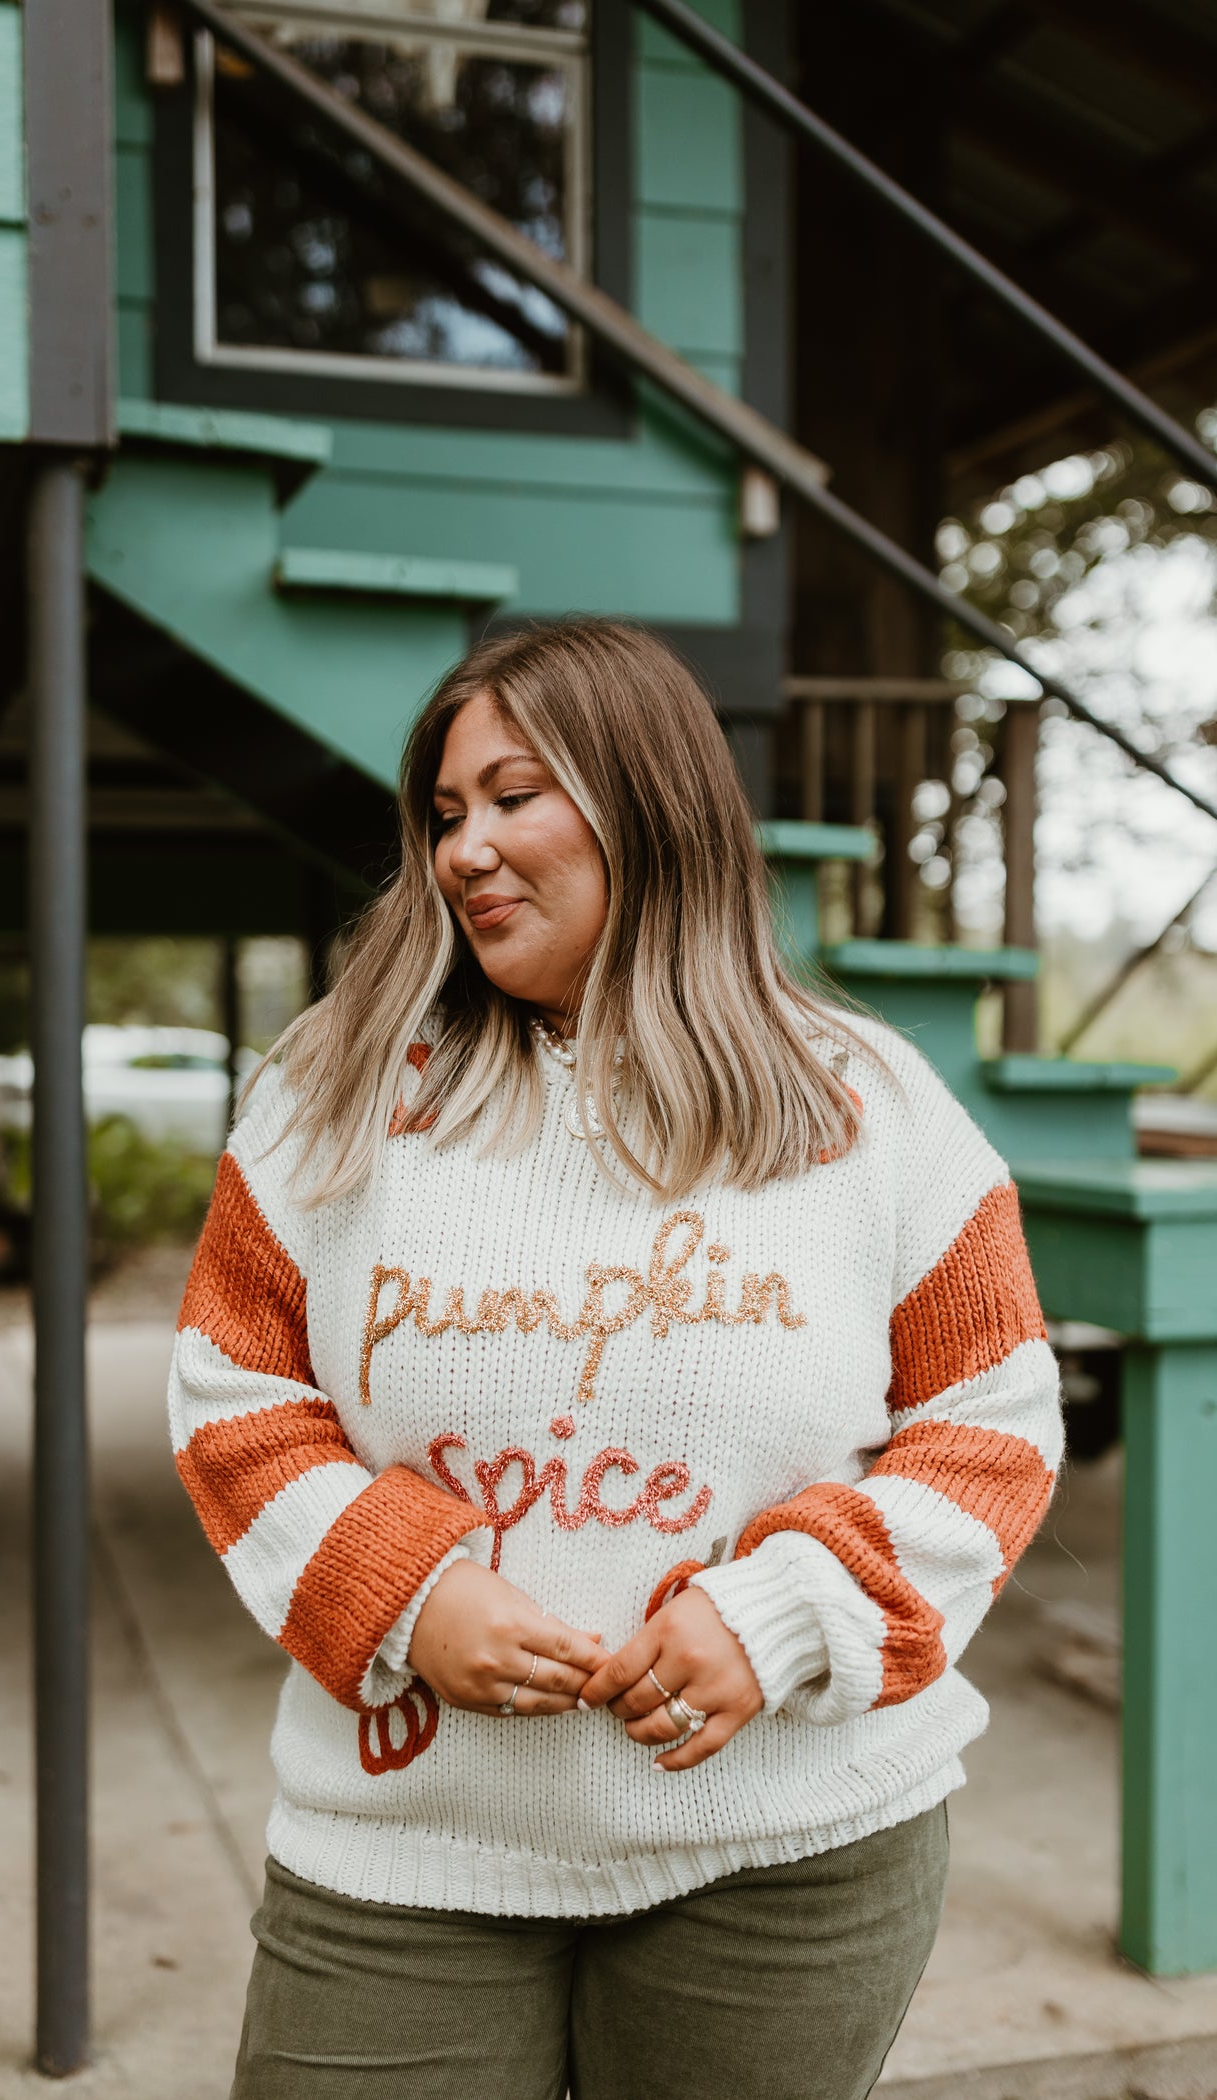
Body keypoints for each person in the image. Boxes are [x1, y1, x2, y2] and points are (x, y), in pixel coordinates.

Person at [169, 618, 1062, 2100]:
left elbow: (994, 1417)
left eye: (516, 797)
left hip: (789, 1859)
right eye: (446, 816)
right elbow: (235, 1392)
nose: (466, 852)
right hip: (408, 1852)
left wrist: (792, 1609)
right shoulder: (326, 1095)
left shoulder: (871, 1107)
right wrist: (403, 1586)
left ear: (649, 799)